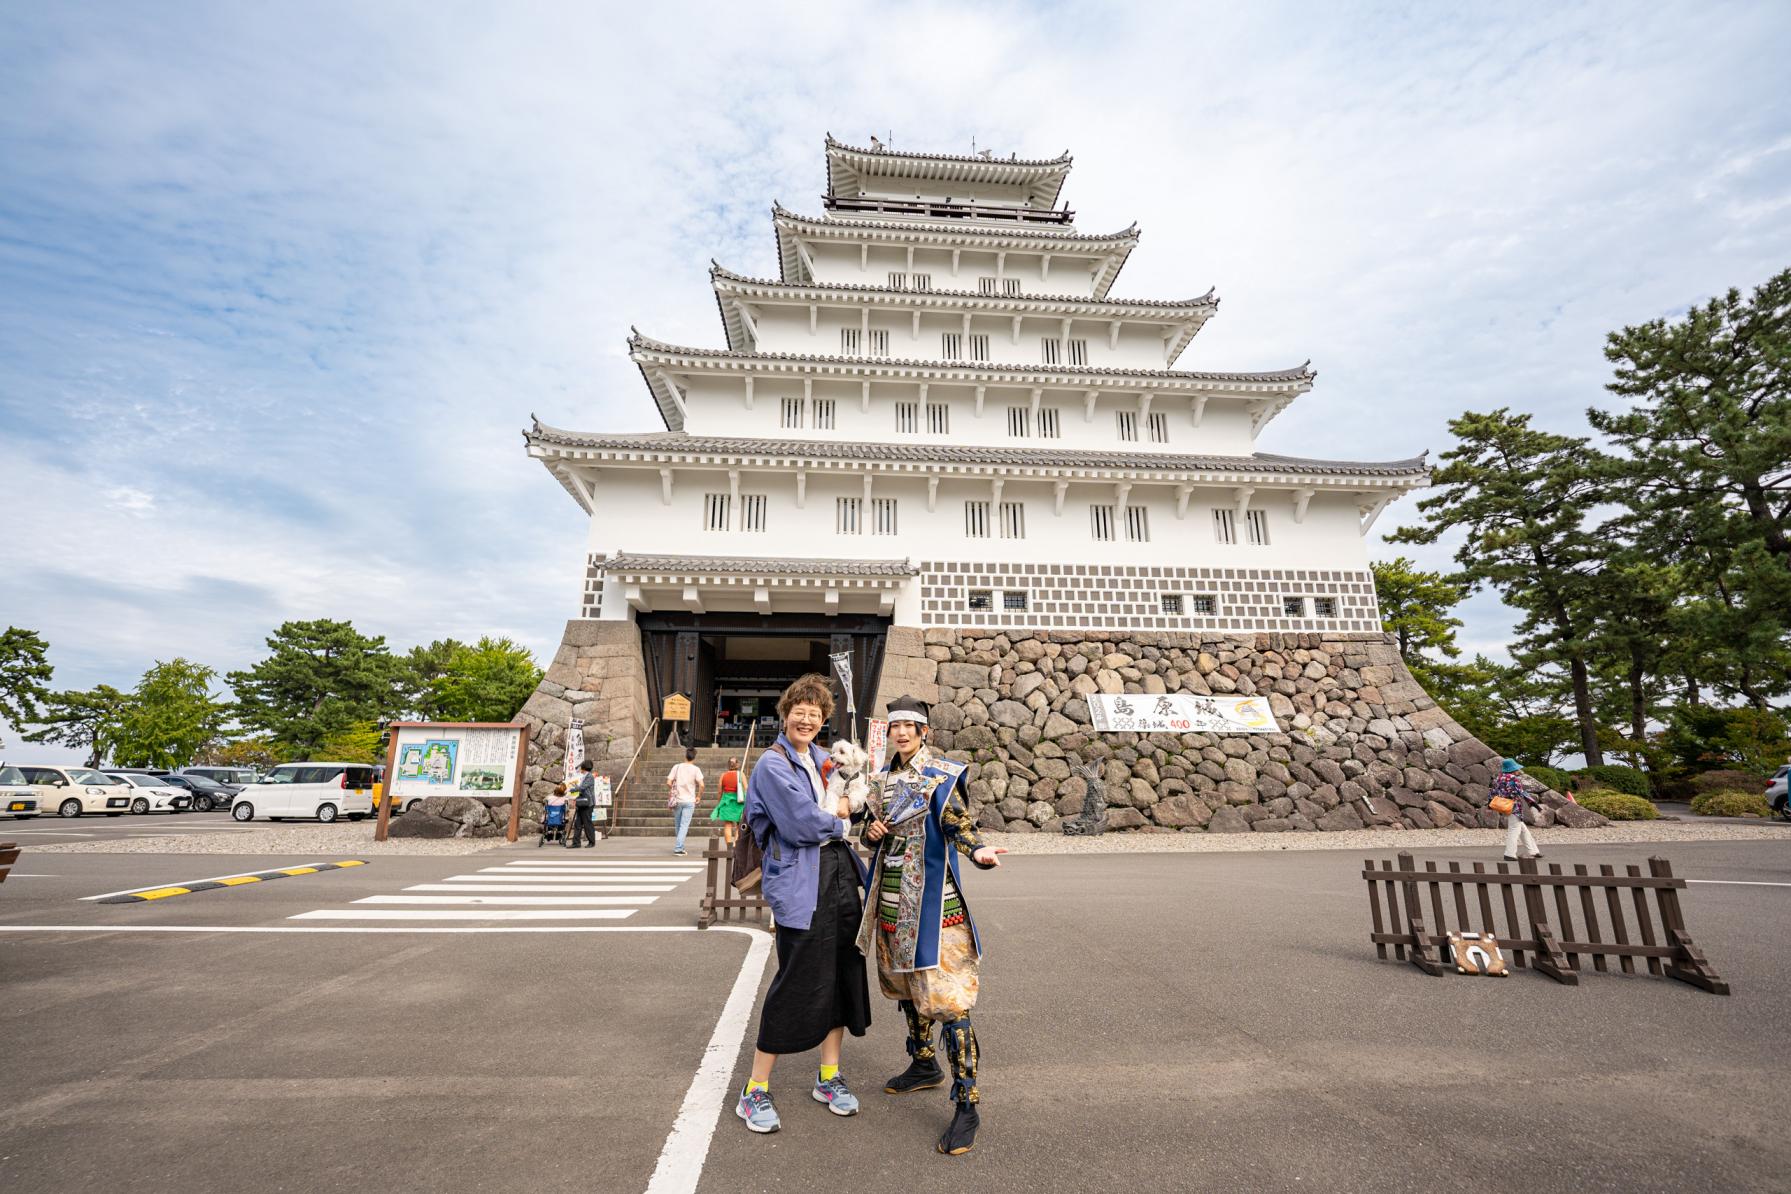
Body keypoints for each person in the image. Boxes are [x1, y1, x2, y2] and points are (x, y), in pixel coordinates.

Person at [860, 694, 1008, 1157]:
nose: (901, 732)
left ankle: (968, 1103)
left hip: (934, 906)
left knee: (947, 999)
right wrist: (871, 833)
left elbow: (959, 825)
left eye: (910, 726)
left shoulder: (941, 776)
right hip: (890, 900)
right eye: (895, 725)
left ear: (925, 732)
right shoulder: (881, 780)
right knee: (907, 988)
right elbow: (869, 831)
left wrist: (978, 851)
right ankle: (924, 1064)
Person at [736, 673, 870, 1135]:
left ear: (823, 720)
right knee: (796, 980)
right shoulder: (772, 766)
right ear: (785, 712)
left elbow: (858, 797)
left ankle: (828, 1078)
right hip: (800, 883)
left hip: (838, 879)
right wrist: (841, 818)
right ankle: (755, 1088)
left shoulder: (823, 758)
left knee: (840, 976)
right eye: (800, 710)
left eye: (816, 713)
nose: (807, 719)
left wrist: (847, 810)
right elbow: (800, 824)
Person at [1492, 758, 1542, 862]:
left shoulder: (1499, 778)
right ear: (1513, 769)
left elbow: (1493, 792)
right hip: (1514, 807)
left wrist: (1490, 804)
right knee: (1514, 829)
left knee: (1522, 829)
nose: (1518, 770)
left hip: (1504, 806)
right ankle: (1509, 854)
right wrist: (1533, 803)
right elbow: (1520, 792)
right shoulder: (1513, 778)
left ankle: (1533, 851)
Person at [666, 747, 705, 856]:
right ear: (694, 757)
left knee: (678, 825)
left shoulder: (677, 767)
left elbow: (669, 782)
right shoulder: (696, 769)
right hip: (689, 801)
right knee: (684, 825)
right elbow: (702, 785)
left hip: (677, 800)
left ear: (685, 755)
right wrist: (698, 796)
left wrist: (673, 790)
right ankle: (679, 848)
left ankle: (680, 846)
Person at [712, 756, 744, 846]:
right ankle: (735, 844)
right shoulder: (740, 775)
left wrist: (719, 803)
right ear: (737, 764)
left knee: (727, 825)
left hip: (726, 802)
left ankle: (729, 845)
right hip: (738, 802)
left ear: (728, 765)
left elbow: (719, 791)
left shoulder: (723, 775)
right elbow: (746, 789)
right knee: (738, 825)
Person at [571, 759, 598, 849]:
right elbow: (582, 790)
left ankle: (592, 842)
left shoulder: (589, 776)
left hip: (588, 803)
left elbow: (582, 788)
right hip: (582, 802)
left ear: (584, 768)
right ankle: (576, 843)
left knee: (587, 823)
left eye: (581, 767)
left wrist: (572, 789)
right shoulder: (584, 776)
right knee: (578, 823)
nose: (580, 769)